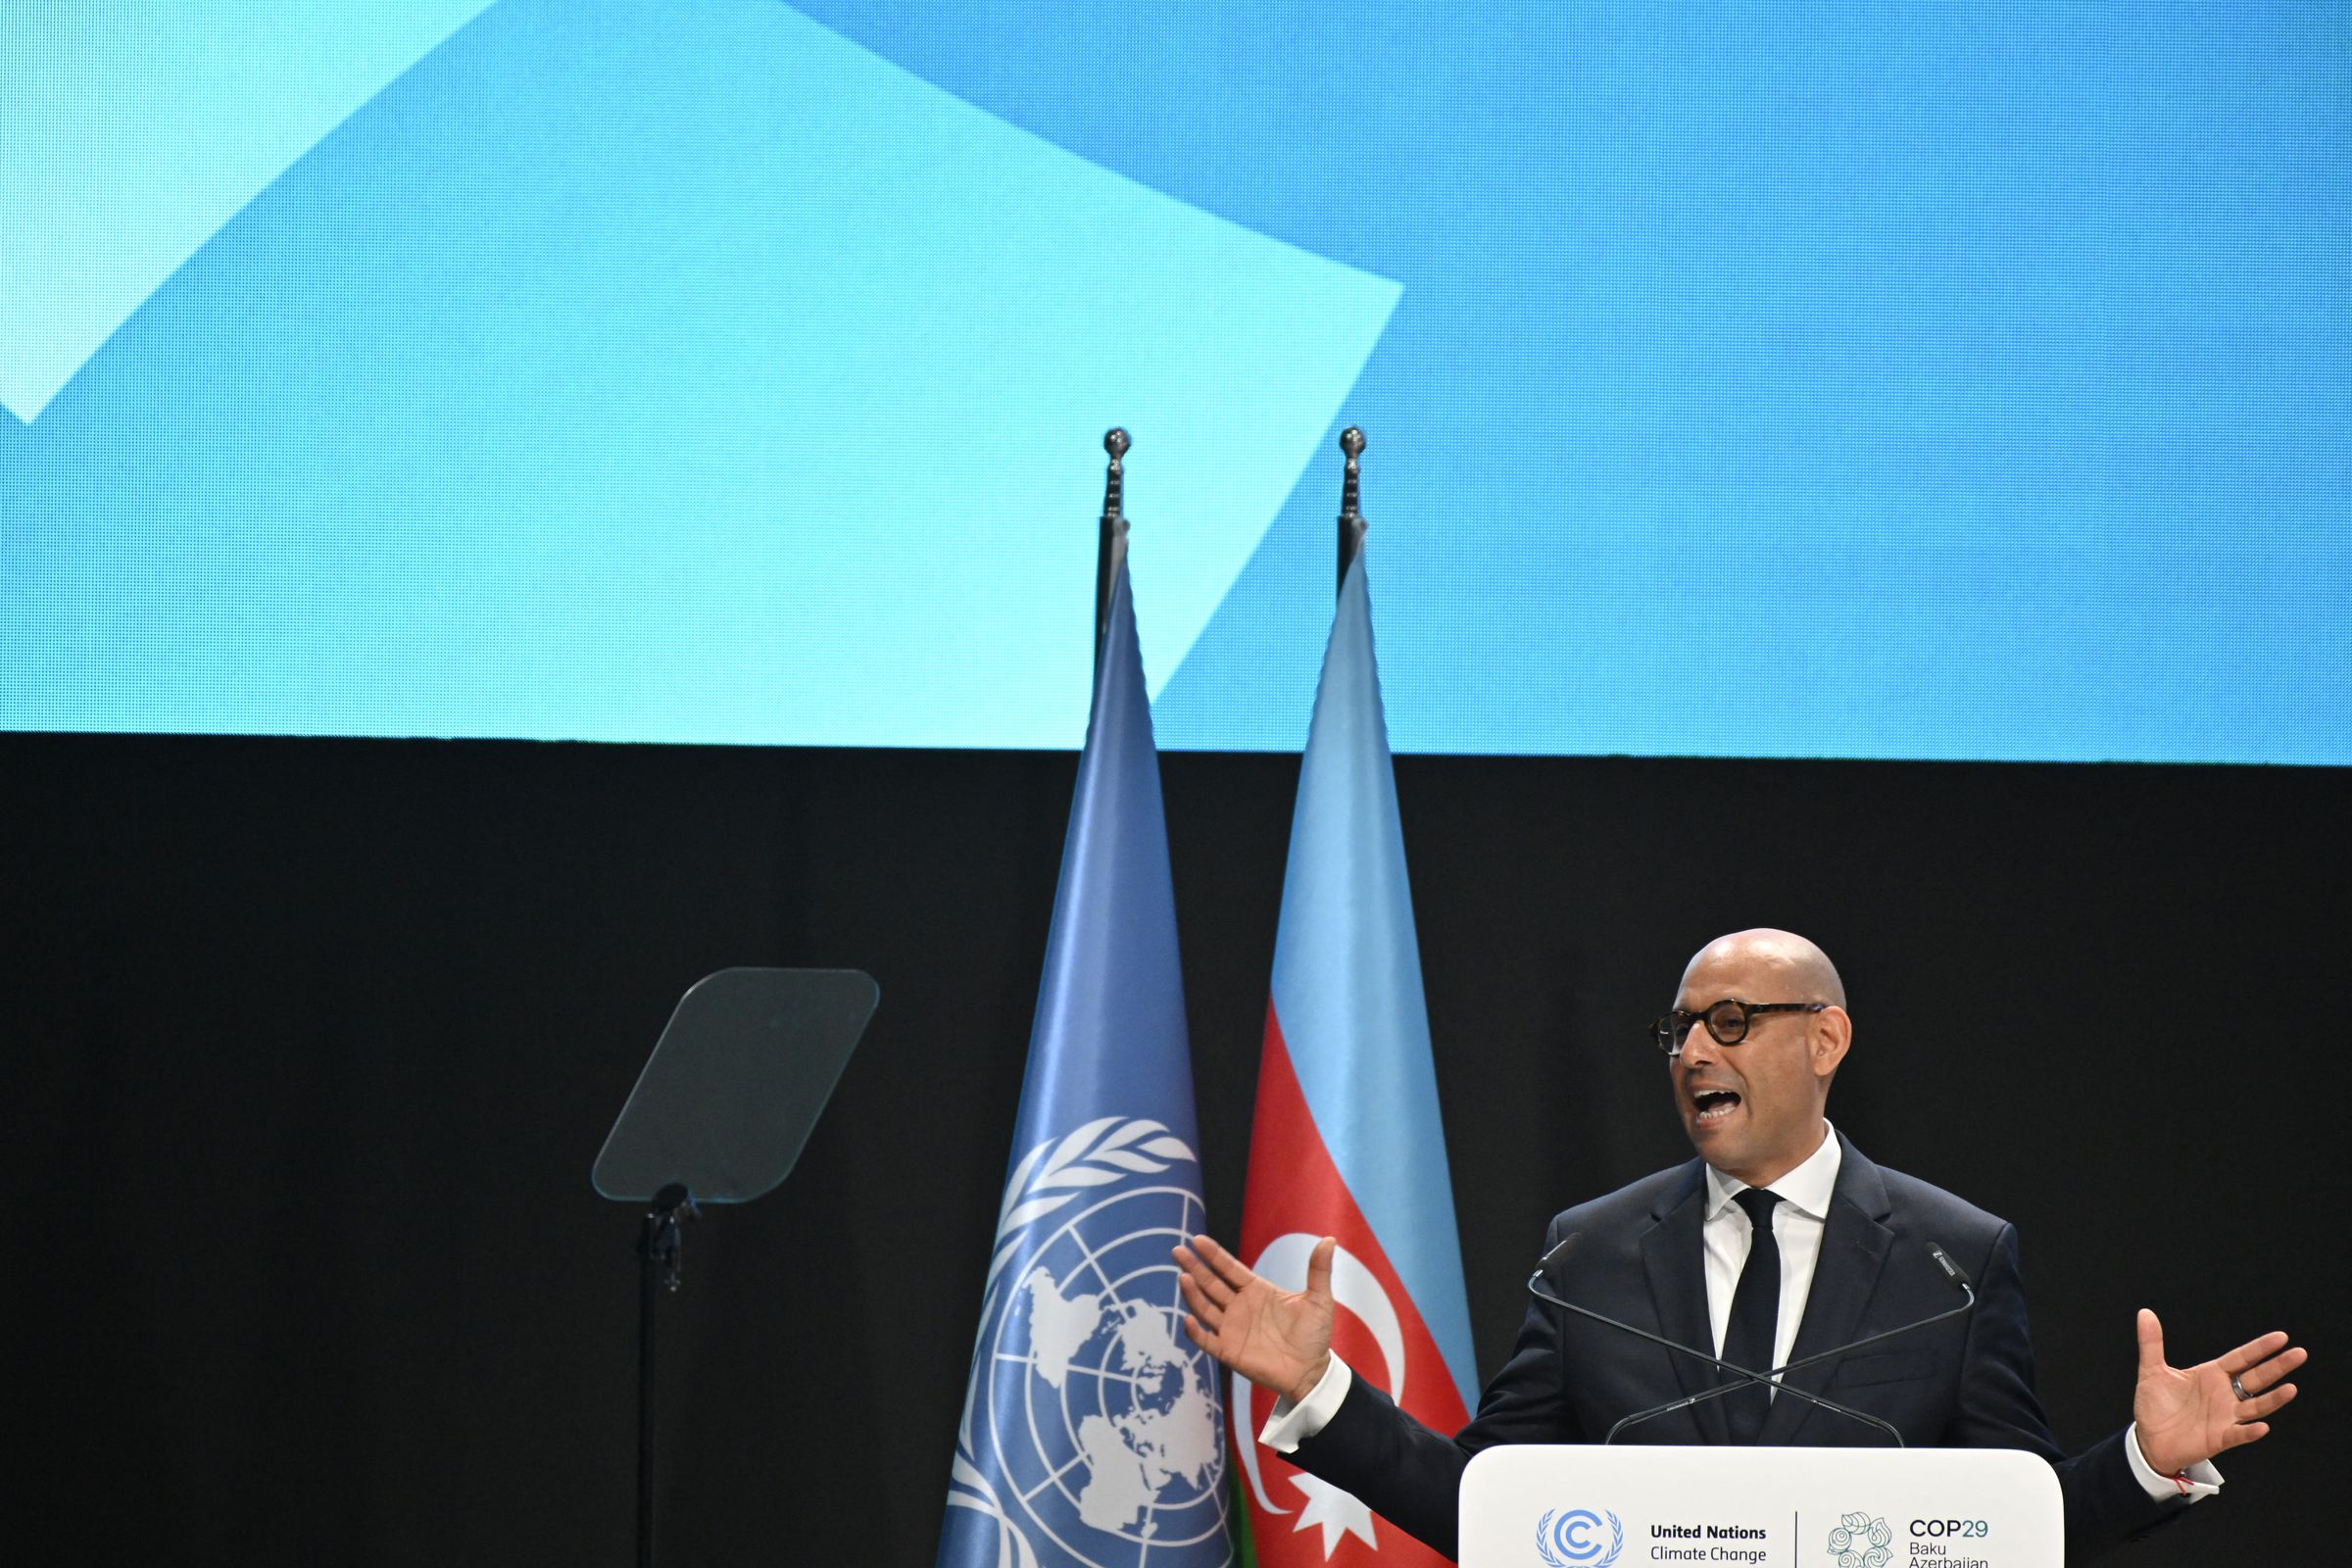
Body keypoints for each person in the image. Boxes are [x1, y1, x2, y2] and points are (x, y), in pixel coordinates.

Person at [1174, 929, 2305, 1561]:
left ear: (1827, 1038)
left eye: (1729, 1022)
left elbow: (2012, 1525)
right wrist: (1323, 1392)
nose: (1690, 1053)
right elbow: (1486, 1500)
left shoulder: (1953, 1257)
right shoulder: (1591, 1254)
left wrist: (2146, 1461)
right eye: (1678, 1029)